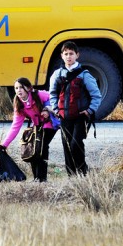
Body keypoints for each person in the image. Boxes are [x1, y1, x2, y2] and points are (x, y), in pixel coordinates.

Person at [48, 41, 102, 176]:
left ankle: (82, 172)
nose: (68, 57)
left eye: (71, 54)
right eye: (65, 54)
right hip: (64, 117)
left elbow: (96, 95)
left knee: (75, 144)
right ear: (62, 56)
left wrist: (89, 111)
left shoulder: (84, 75)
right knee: (66, 146)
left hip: (80, 117)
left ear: (77, 55)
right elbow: (52, 94)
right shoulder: (57, 74)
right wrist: (56, 109)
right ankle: (71, 175)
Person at [0, 77, 58, 182]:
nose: (18, 90)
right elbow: (15, 126)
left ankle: (42, 178)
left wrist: (47, 109)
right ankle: (36, 178)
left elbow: (54, 99)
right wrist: (4, 145)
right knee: (32, 149)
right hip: (37, 126)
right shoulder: (18, 104)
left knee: (42, 147)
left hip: (50, 123)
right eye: (16, 88)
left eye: (21, 87)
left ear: (29, 88)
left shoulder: (39, 95)